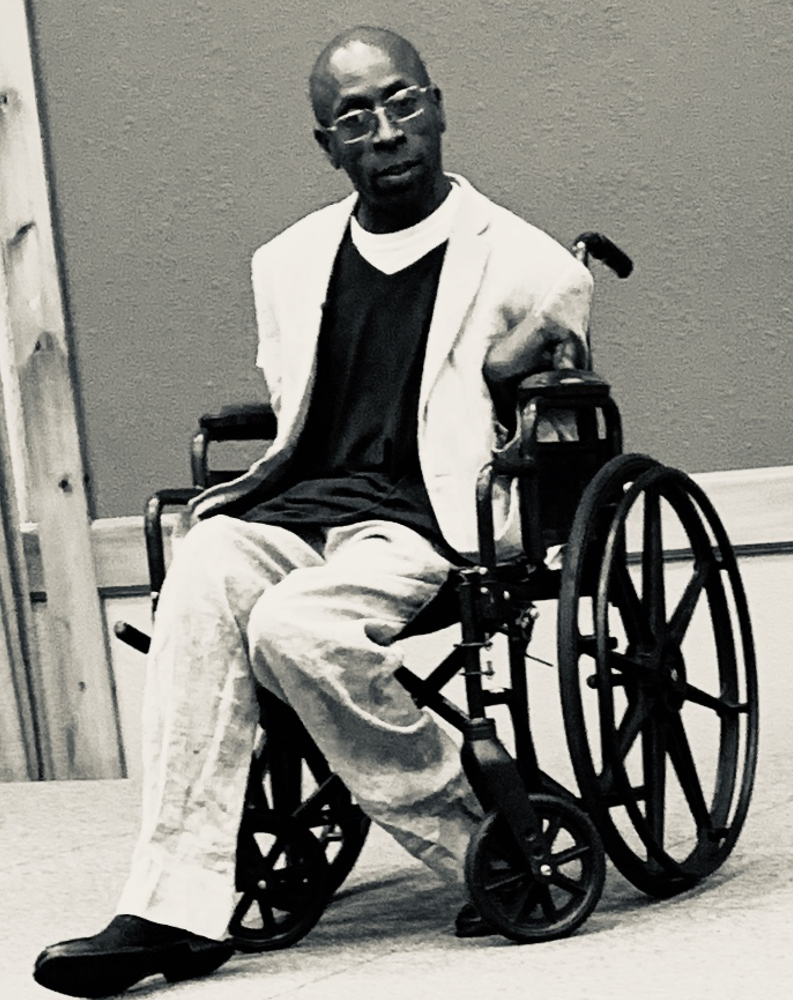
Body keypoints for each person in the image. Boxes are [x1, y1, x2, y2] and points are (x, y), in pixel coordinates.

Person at [34, 25, 592, 998]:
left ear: (436, 105)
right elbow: (297, 412)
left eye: (401, 104)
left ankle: (479, 830)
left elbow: (557, 400)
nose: (384, 132)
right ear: (326, 144)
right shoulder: (286, 263)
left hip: (421, 519)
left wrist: (524, 367)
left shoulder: (529, 263)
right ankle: (171, 902)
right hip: (300, 506)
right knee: (203, 564)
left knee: (295, 629)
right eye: (354, 117)